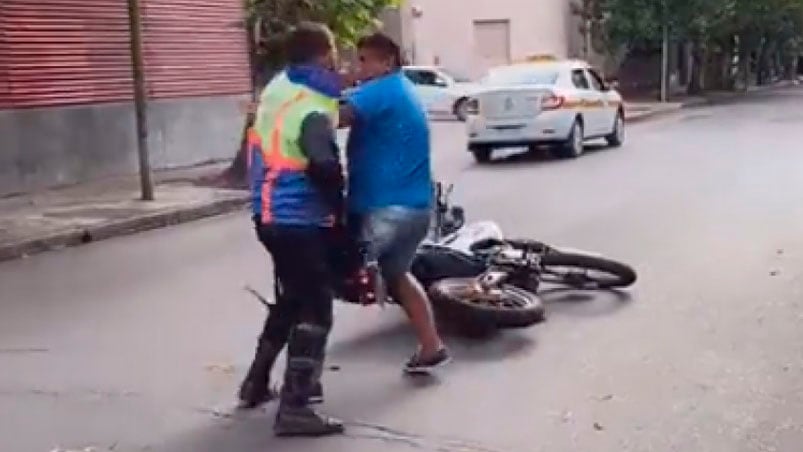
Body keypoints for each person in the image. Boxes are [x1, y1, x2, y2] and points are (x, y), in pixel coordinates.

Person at [239, 21, 345, 437]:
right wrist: (340, 207)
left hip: (268, 215)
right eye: (334, 52)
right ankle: (296, 407)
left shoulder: (278, 88)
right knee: (317, 306)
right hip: (297, 217)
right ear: (324, 54)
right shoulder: (313, 103)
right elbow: (322, 164)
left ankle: (256, 382)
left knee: (292, 299)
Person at [340, 33, 450, 373]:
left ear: (387, 62)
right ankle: (431, 345)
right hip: (416, 208)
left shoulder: (381, 90)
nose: (359, 67)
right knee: (399, 275)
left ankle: (302, 376)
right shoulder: (402, 90)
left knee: (324, 270)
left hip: (384, 208)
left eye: (364, 60)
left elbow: (333, 118)